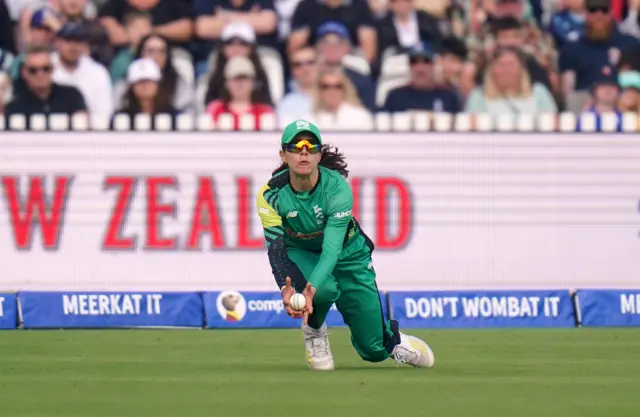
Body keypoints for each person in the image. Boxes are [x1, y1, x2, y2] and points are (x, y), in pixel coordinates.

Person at [255, 119, 436, 371]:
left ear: (320, 154)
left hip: (348, 253)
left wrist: (309, 289)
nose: (304, 151)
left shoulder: (337, 188)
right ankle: (314, 331)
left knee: (373, 350)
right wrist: (287, 289)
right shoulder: (269, 195)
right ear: (283, 155)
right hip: (302, 251)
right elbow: (276, 248)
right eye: (296, 147)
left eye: (311, 146)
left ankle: (393, 342)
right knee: (325, 289)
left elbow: (331, 250)